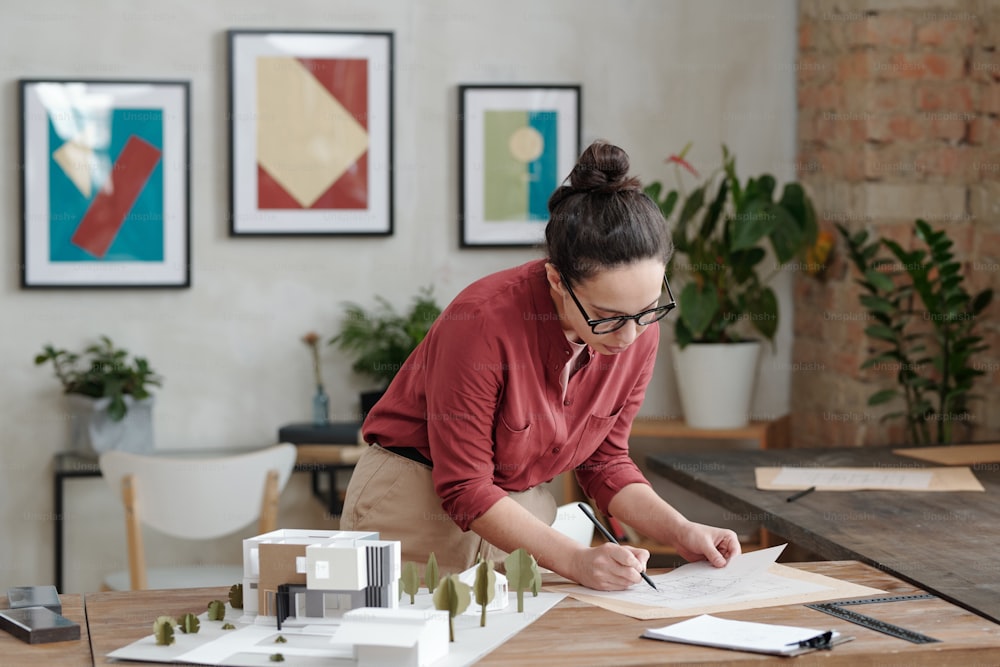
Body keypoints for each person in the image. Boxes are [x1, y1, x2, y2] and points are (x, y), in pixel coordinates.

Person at [341, 140, 740, 591]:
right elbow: (465, 485)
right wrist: (577, 561)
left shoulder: (638, 328)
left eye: (648, 310)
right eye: (607, 317)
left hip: (523, 520)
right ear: (556, 279)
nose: (630, 337)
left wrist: (682, 530)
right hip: (414, 508)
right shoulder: (481, 322)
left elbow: (605, 463)